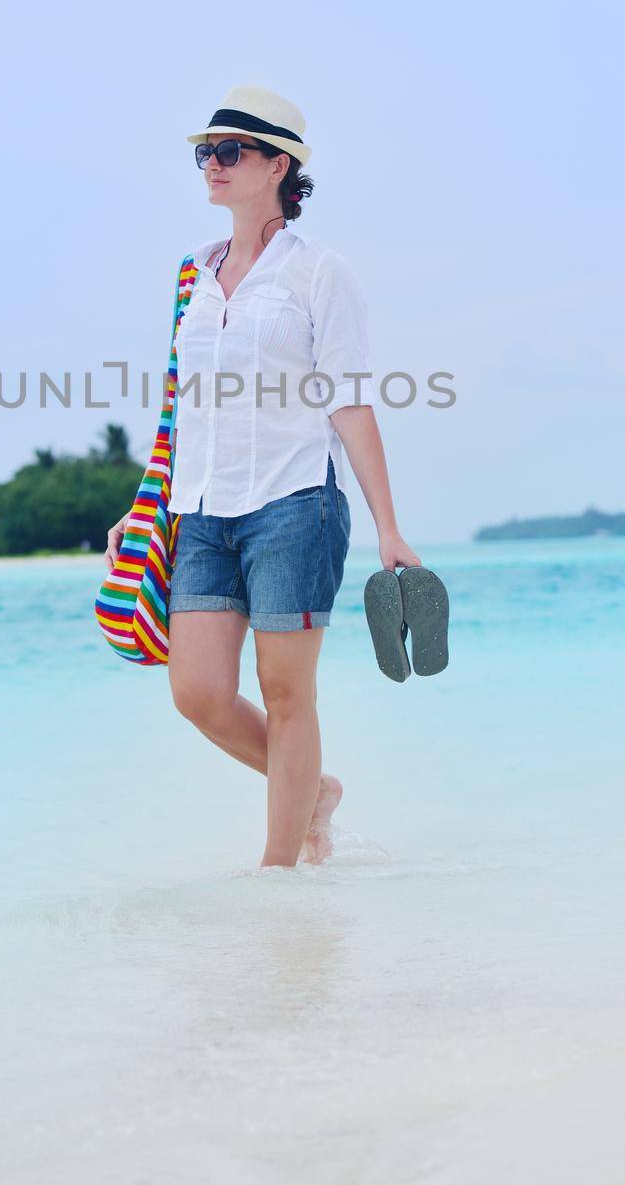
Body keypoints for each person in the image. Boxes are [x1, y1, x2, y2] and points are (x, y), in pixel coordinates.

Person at [105, 85, 422, 868]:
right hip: (201, 515)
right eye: (203, 152)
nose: (209, 164)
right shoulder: (193, 274)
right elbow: (186, 405)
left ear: (279, 164)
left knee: (287, 696)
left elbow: (350, 403)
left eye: (228, 151)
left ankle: (282, 882)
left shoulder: (319, 274)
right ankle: (313, 794)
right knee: (199, 694)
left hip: (294, 508)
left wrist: (388, 526)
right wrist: (143, 502)